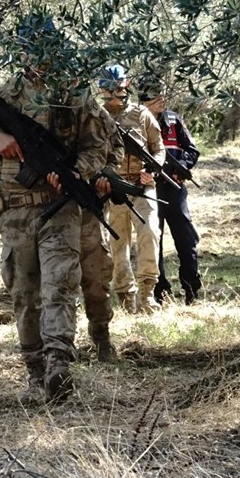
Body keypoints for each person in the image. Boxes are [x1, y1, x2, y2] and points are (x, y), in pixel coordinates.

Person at [0, 16, 106, 404]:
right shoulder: (4, 95)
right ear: (21, 51)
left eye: (45, 47)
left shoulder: (75, 95)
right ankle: (35, 371)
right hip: (16, 210)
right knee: (24, 293)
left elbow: (98, 147)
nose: (39, 56)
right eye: (31, 47)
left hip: (60, 208)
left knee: (61, 286)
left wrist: (74, 172)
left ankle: (58, 366)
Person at [102, 64, 164, 314]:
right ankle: (125, 296)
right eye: (109, 88)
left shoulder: (141, 114)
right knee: (118, 243)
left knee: (150, 232)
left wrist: (154, 170)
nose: (114, 92)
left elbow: (158, 148)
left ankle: (147, 293)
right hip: (113, 188)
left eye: (118, 87)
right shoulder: (98, 117)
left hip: (142, 185)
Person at [140, 75, 203, 304]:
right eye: (155, 96)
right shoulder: (137, 122)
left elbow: (192, 150)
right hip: (149, 189)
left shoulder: (174, 120)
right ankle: (161, 293)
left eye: (162, 95)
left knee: (186, 240)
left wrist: (182, 168)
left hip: (175, 189)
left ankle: (191, 289)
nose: (161, 100)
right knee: (153, 240)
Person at [80, 84, 123, 363]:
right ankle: (57, 344)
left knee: (96, 276)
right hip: (47, 206)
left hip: (87, 207)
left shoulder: (93, 110)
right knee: (55, 280)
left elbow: (116, 146)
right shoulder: (33, 107)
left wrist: (106, 174)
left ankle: (100, 337)